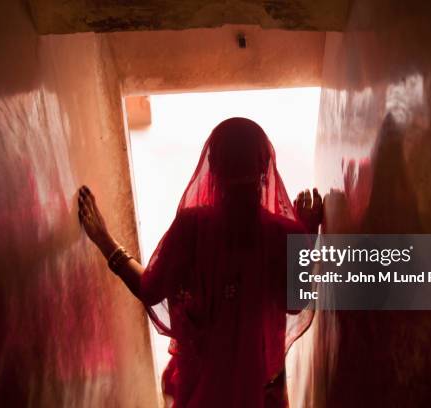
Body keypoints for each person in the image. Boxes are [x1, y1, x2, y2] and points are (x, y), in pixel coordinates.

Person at [78, 117, 322, 407]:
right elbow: (294, 302)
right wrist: (307, 237)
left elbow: (150, 289)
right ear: (265, 167)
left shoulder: (190, 227)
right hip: (258, 390)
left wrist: (104, 240)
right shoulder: (285, 233)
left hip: (201, 386)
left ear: (213, 166)